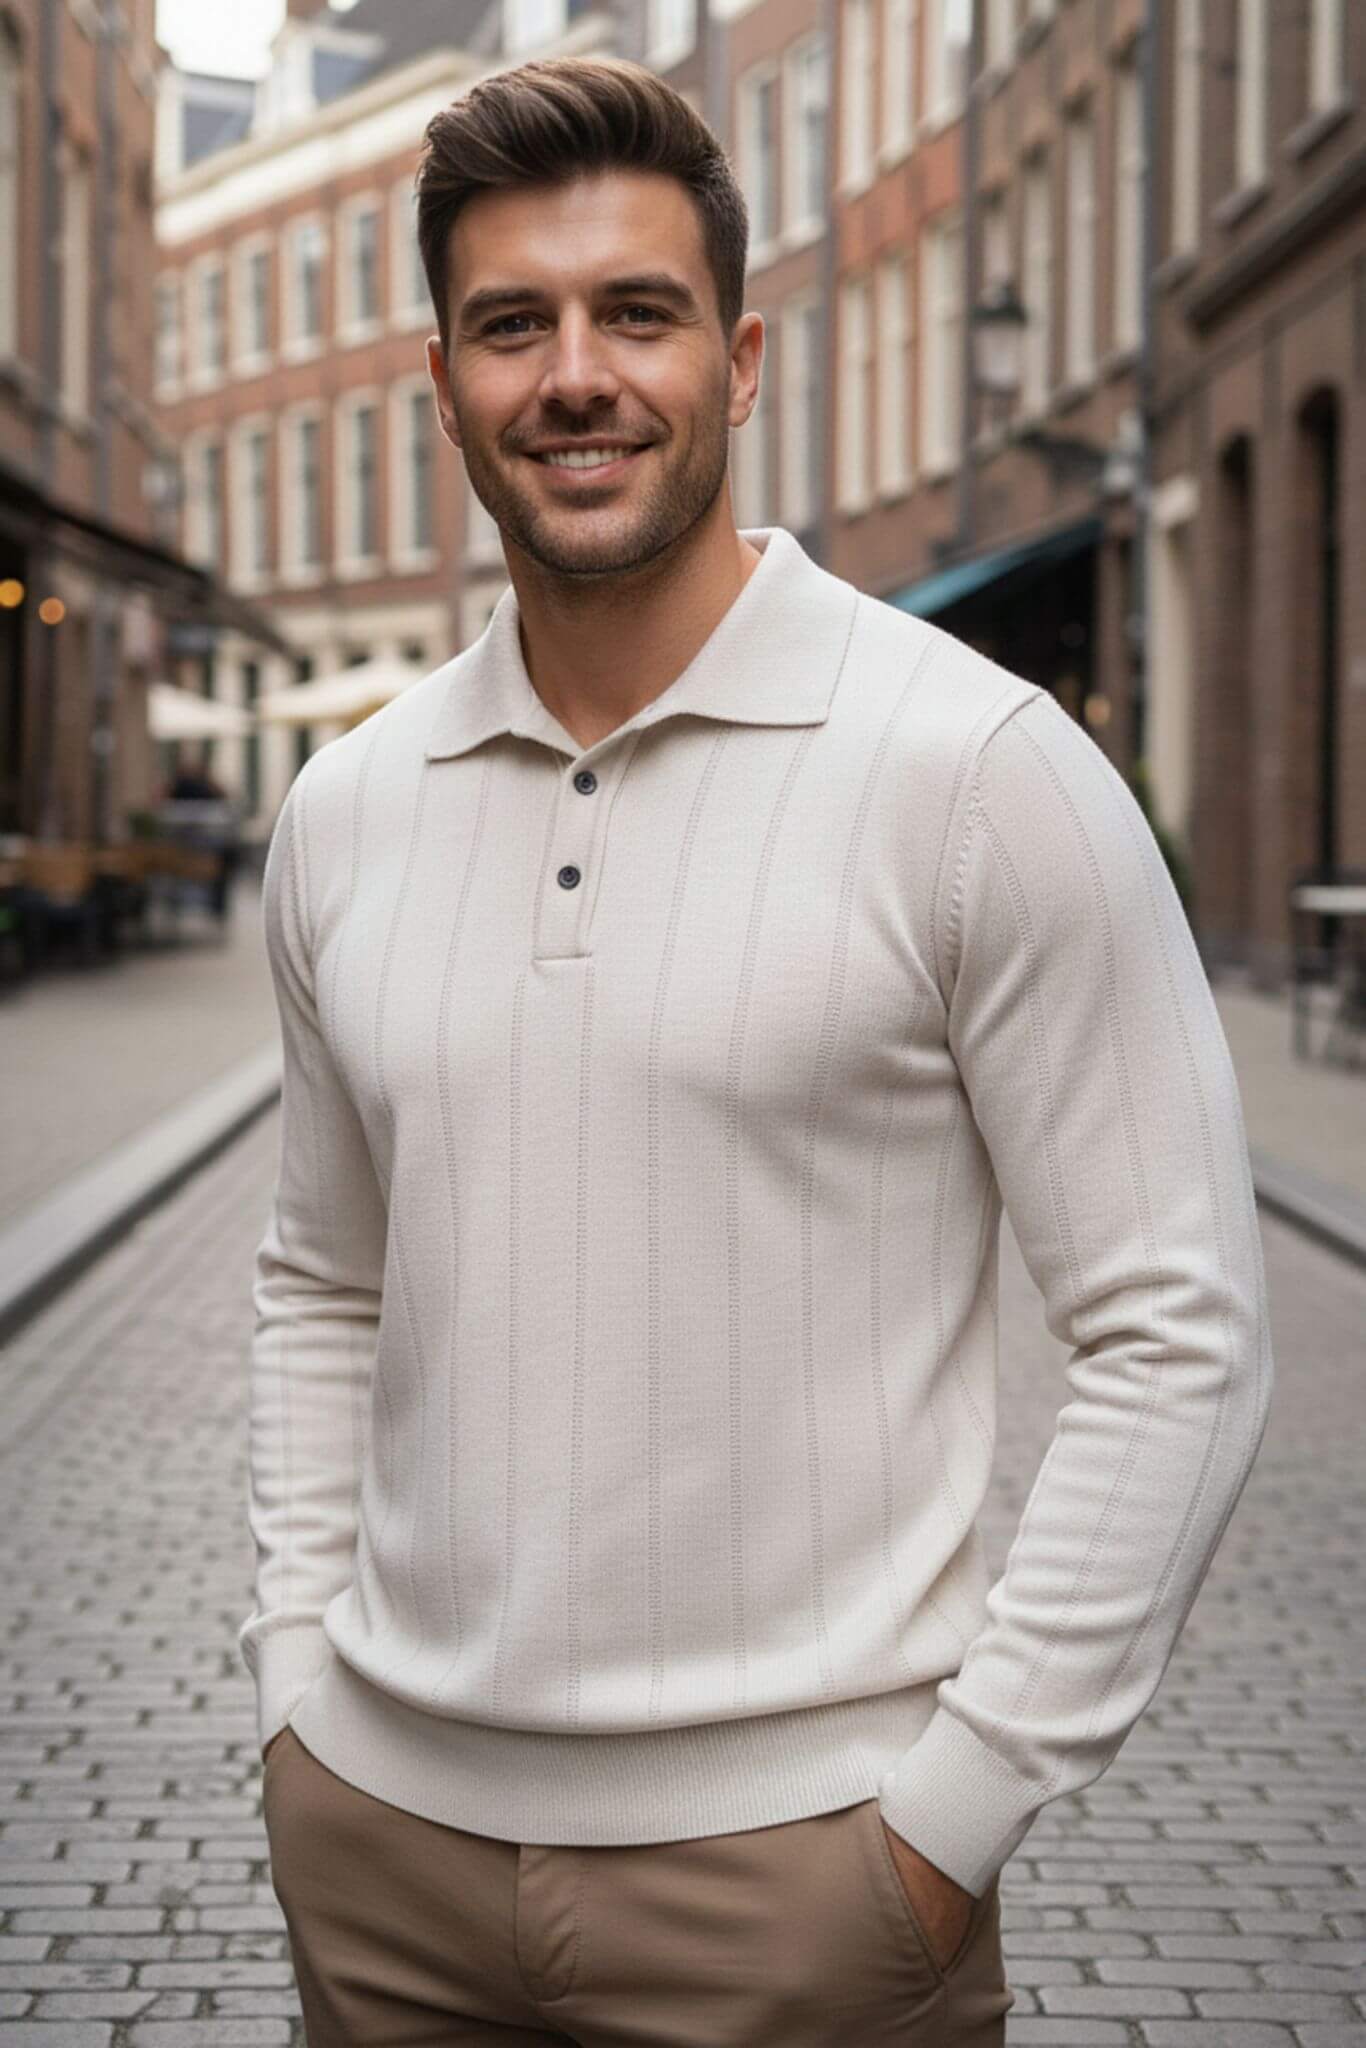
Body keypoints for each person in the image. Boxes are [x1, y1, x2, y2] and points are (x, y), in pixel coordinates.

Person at [242, 55, 1274, 2048]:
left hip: (804, 1897)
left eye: (635, 312)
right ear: (438, 375)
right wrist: (300, 1699)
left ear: (740, 357)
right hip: (379, 1875)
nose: (574, 375)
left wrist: (939, 1826)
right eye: (509, 323)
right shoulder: (345, 810)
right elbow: (320, 1282)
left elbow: (1177, 1322)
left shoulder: (975, 773)